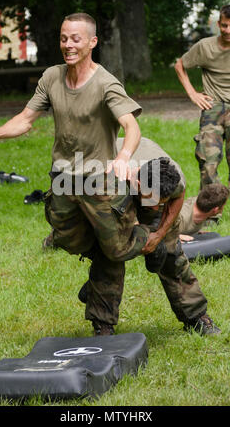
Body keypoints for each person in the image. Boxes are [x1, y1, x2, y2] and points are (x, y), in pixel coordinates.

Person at [0, 12, 159, 336]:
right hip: (64, 178)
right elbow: (26, 119)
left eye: (75, 39)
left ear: (92, 42)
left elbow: (131, 125)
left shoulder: (105, 82)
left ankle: (150, 236)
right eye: (63, 38)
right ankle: (104, 256)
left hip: (99, 177)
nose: (68, 45)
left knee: (117, 250)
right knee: (67, 239)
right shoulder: (52, 77)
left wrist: (124, 156)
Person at [78, 137, 221, 336]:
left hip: (146, 181)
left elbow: (178, 197)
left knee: (172, 253)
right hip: (114, 191)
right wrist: (135, 230)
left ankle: (196, 316)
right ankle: (103, 323)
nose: (155, 208)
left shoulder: (172, 178)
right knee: (111, 256)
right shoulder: (112, 179)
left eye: (160, 202)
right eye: (152, 201)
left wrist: (160, 233)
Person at [175, 4, 230, 220]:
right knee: (208, 163)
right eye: (224, 26)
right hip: (212, 109)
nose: (228, 30)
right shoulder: (205, 47)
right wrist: (193, 94)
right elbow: (180, 65)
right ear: (219, 24)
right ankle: (210, 214)